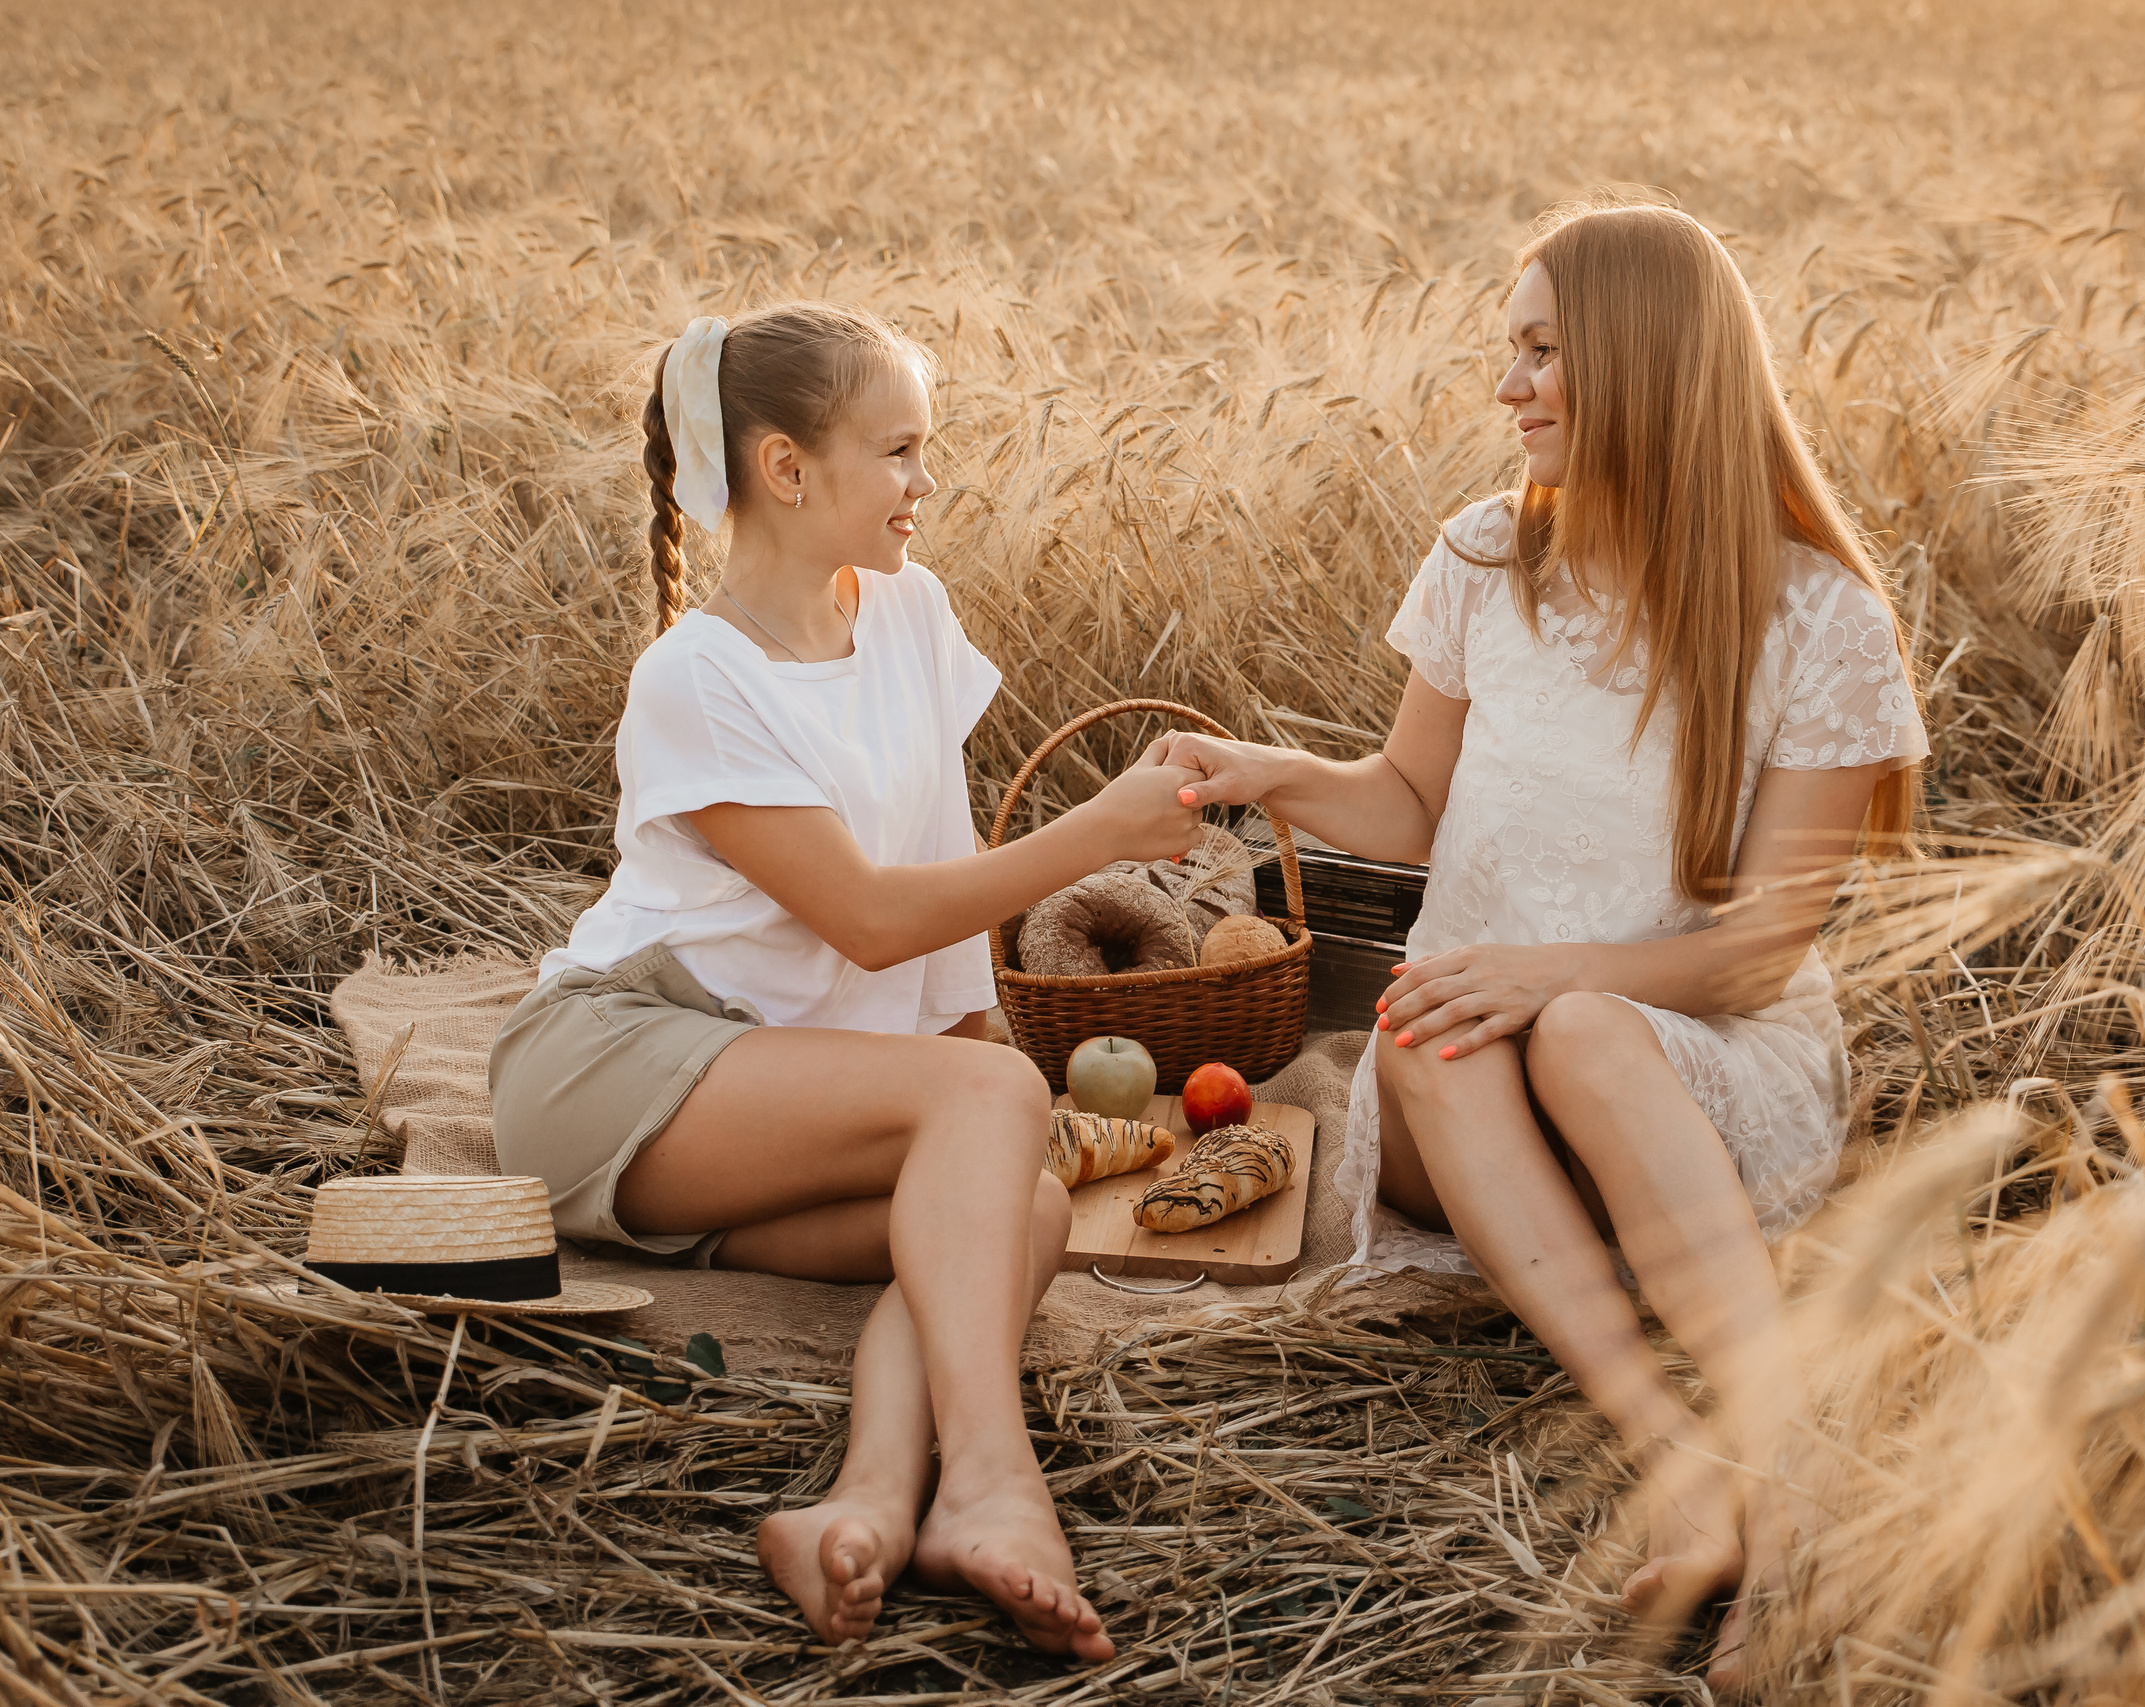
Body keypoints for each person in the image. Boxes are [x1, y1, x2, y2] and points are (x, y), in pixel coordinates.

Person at [1137, 203, 1929, 1682]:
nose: (1511, 385)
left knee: (1574, 1026)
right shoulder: (1486, 553)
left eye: (1545, 350)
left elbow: (1756, 956)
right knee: (1435, 1016)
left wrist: (1551, 977)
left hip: (1692, 1081)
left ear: (1647, 361)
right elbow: (1412, 800)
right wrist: (1272, 773)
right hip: (1467, 1098)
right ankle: (1681, 1458)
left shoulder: (1821, 621)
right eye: (1510, 350)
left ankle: (1790, 1477)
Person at [489, 301, 1201, 1661]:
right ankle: (995, 1483)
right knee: (987, 1115)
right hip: (616, 1064)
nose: (926, 484)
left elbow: (937, 881)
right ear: (786, 468)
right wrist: (1099, 832)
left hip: (762, 1107)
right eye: (900, 452)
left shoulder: (910, 613)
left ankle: (865, 1504)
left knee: (1023, 1208)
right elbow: (871, 919)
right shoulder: (695, 676)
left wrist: (983, 1072)